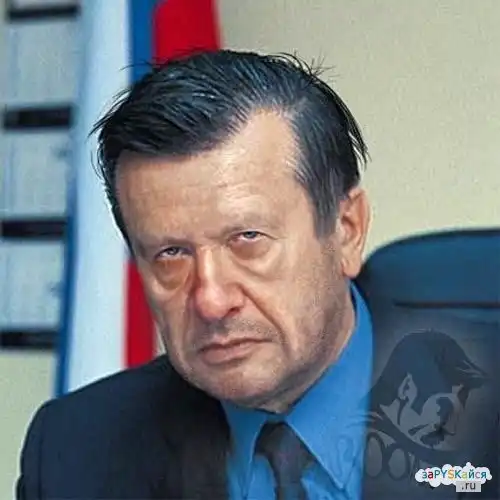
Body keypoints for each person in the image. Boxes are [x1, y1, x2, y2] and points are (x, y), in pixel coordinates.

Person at [16, 50, 499, 500]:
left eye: (247, 238)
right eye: (170, 254)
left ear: (346, 231)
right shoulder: (75, 450)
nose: (210, 299)